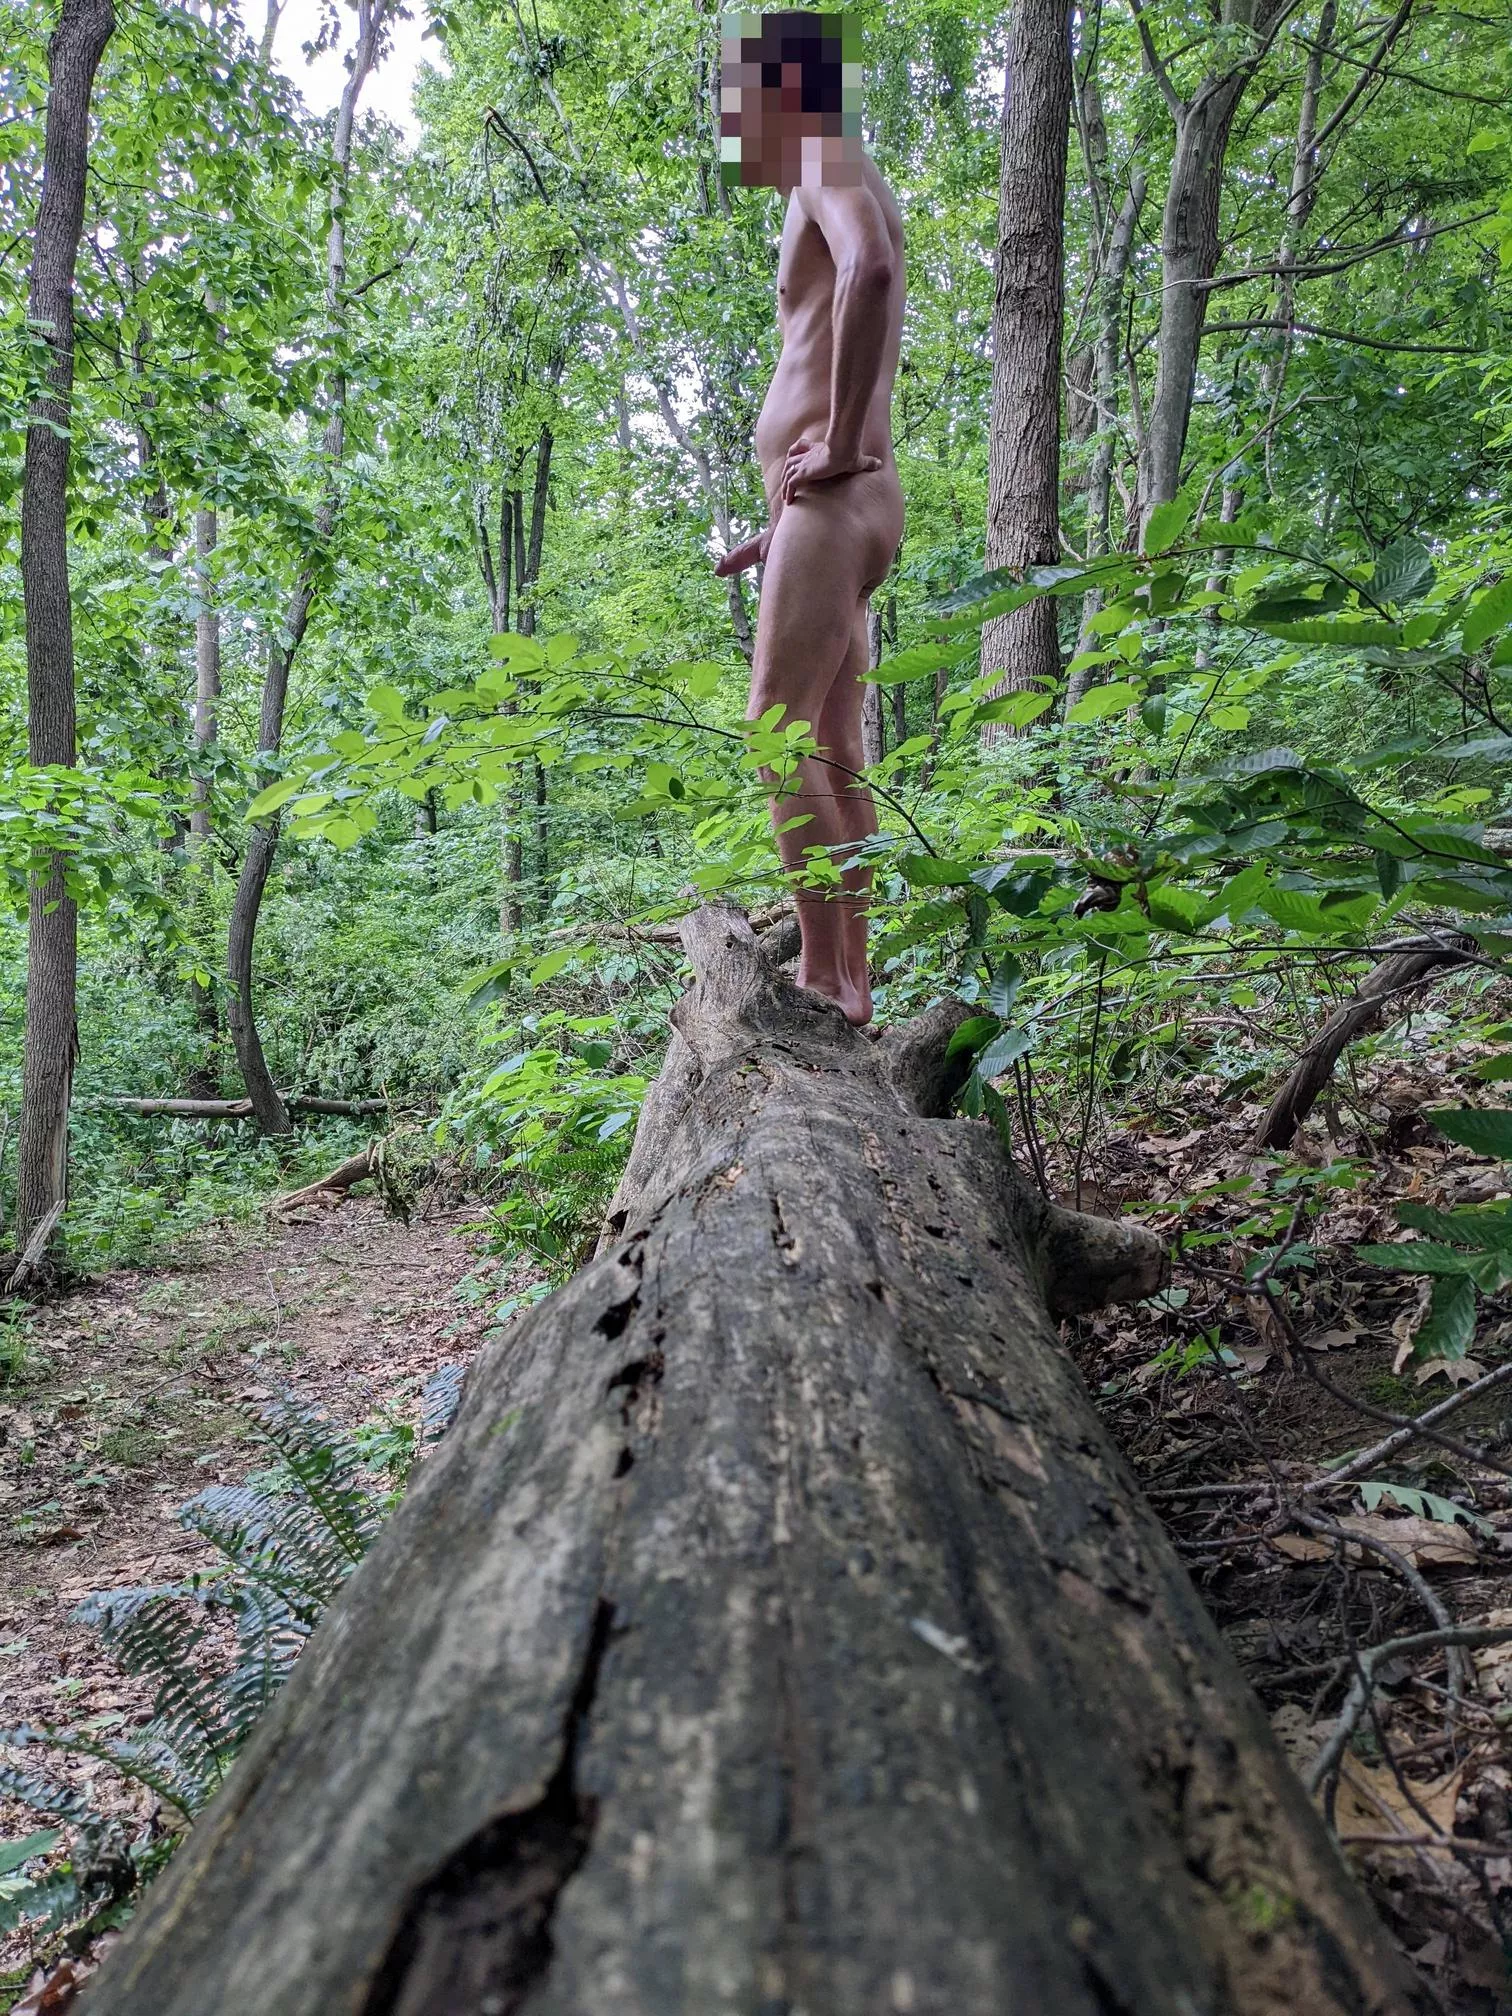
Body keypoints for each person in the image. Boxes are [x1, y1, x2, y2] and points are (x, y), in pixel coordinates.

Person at [715, 10, 904, 1028]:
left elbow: (867, 268)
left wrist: (829, 446)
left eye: (738, 94)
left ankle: (825, 978)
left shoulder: (825, 157)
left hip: (839, 494)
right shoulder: (841, 166)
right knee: (831, 744)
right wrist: (776, 529)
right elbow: (843, 303)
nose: (730, 118)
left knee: (773, 732)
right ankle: (852, 978)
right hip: (839, 508)